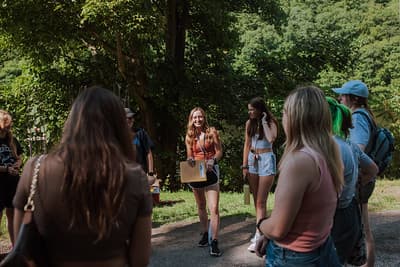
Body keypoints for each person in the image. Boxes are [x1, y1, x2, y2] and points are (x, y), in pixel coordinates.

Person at [13, 86, 153, 267]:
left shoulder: (35, 170)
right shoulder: (135, 177)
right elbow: (140, 260)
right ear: (119, 126)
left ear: (72, 123)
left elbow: (20, 245)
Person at [256, 86, 343, 266]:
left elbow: (279, 229)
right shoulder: (329, 151)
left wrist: (261, 225)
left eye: (285, 113)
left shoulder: (300, 161)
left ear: (295, 118)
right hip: (322, 247)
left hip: (294, 256)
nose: (283, 118)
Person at [326, 97, 378, 265]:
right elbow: (373, 169)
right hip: (349, 211)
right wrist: (355, 182)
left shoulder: (330, 147)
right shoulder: (349, 144)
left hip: (334, 215)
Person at [185, 107, 223, 257]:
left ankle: (214, 241)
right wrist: (190, 160)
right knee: (201, 205)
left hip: (211, 171)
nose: (198, 120)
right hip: (196, 173)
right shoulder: (189, 136)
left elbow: (219, 151)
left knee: (213, 208)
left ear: (204, 118)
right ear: (191, 119)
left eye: (200, 117)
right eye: (195, 117)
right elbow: (190, 155)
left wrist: (213, 160)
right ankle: (205, 234)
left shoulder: (211, 132)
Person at [241, 97, 278, 252]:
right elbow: (247, 144)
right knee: (257, 200)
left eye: (252, 109)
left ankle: (259, 235)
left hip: (266, 159)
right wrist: (244, 165)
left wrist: (263, 121)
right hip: (252, 159)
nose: (249, 112)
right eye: (248, 109)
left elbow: (271, 138)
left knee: (261, 201)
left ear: (260, 109)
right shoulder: (249, 123)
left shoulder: (271, 122)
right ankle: (260, 231)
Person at [0, 110, 23, 246]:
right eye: (6, 122)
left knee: (12, 215)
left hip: (12, 182)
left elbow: (19, 158)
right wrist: (6, 169)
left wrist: (16, 166)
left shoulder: (12, 139)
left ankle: (15, 248)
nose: (9, 125)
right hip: (0, 183)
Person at [125, 107, 156, 185]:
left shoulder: (140, 133)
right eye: (128, 118)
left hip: (140, 173)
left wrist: (150, 173)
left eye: (131, 118)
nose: (131, 120)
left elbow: (148, 152)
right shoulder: (116, 135)